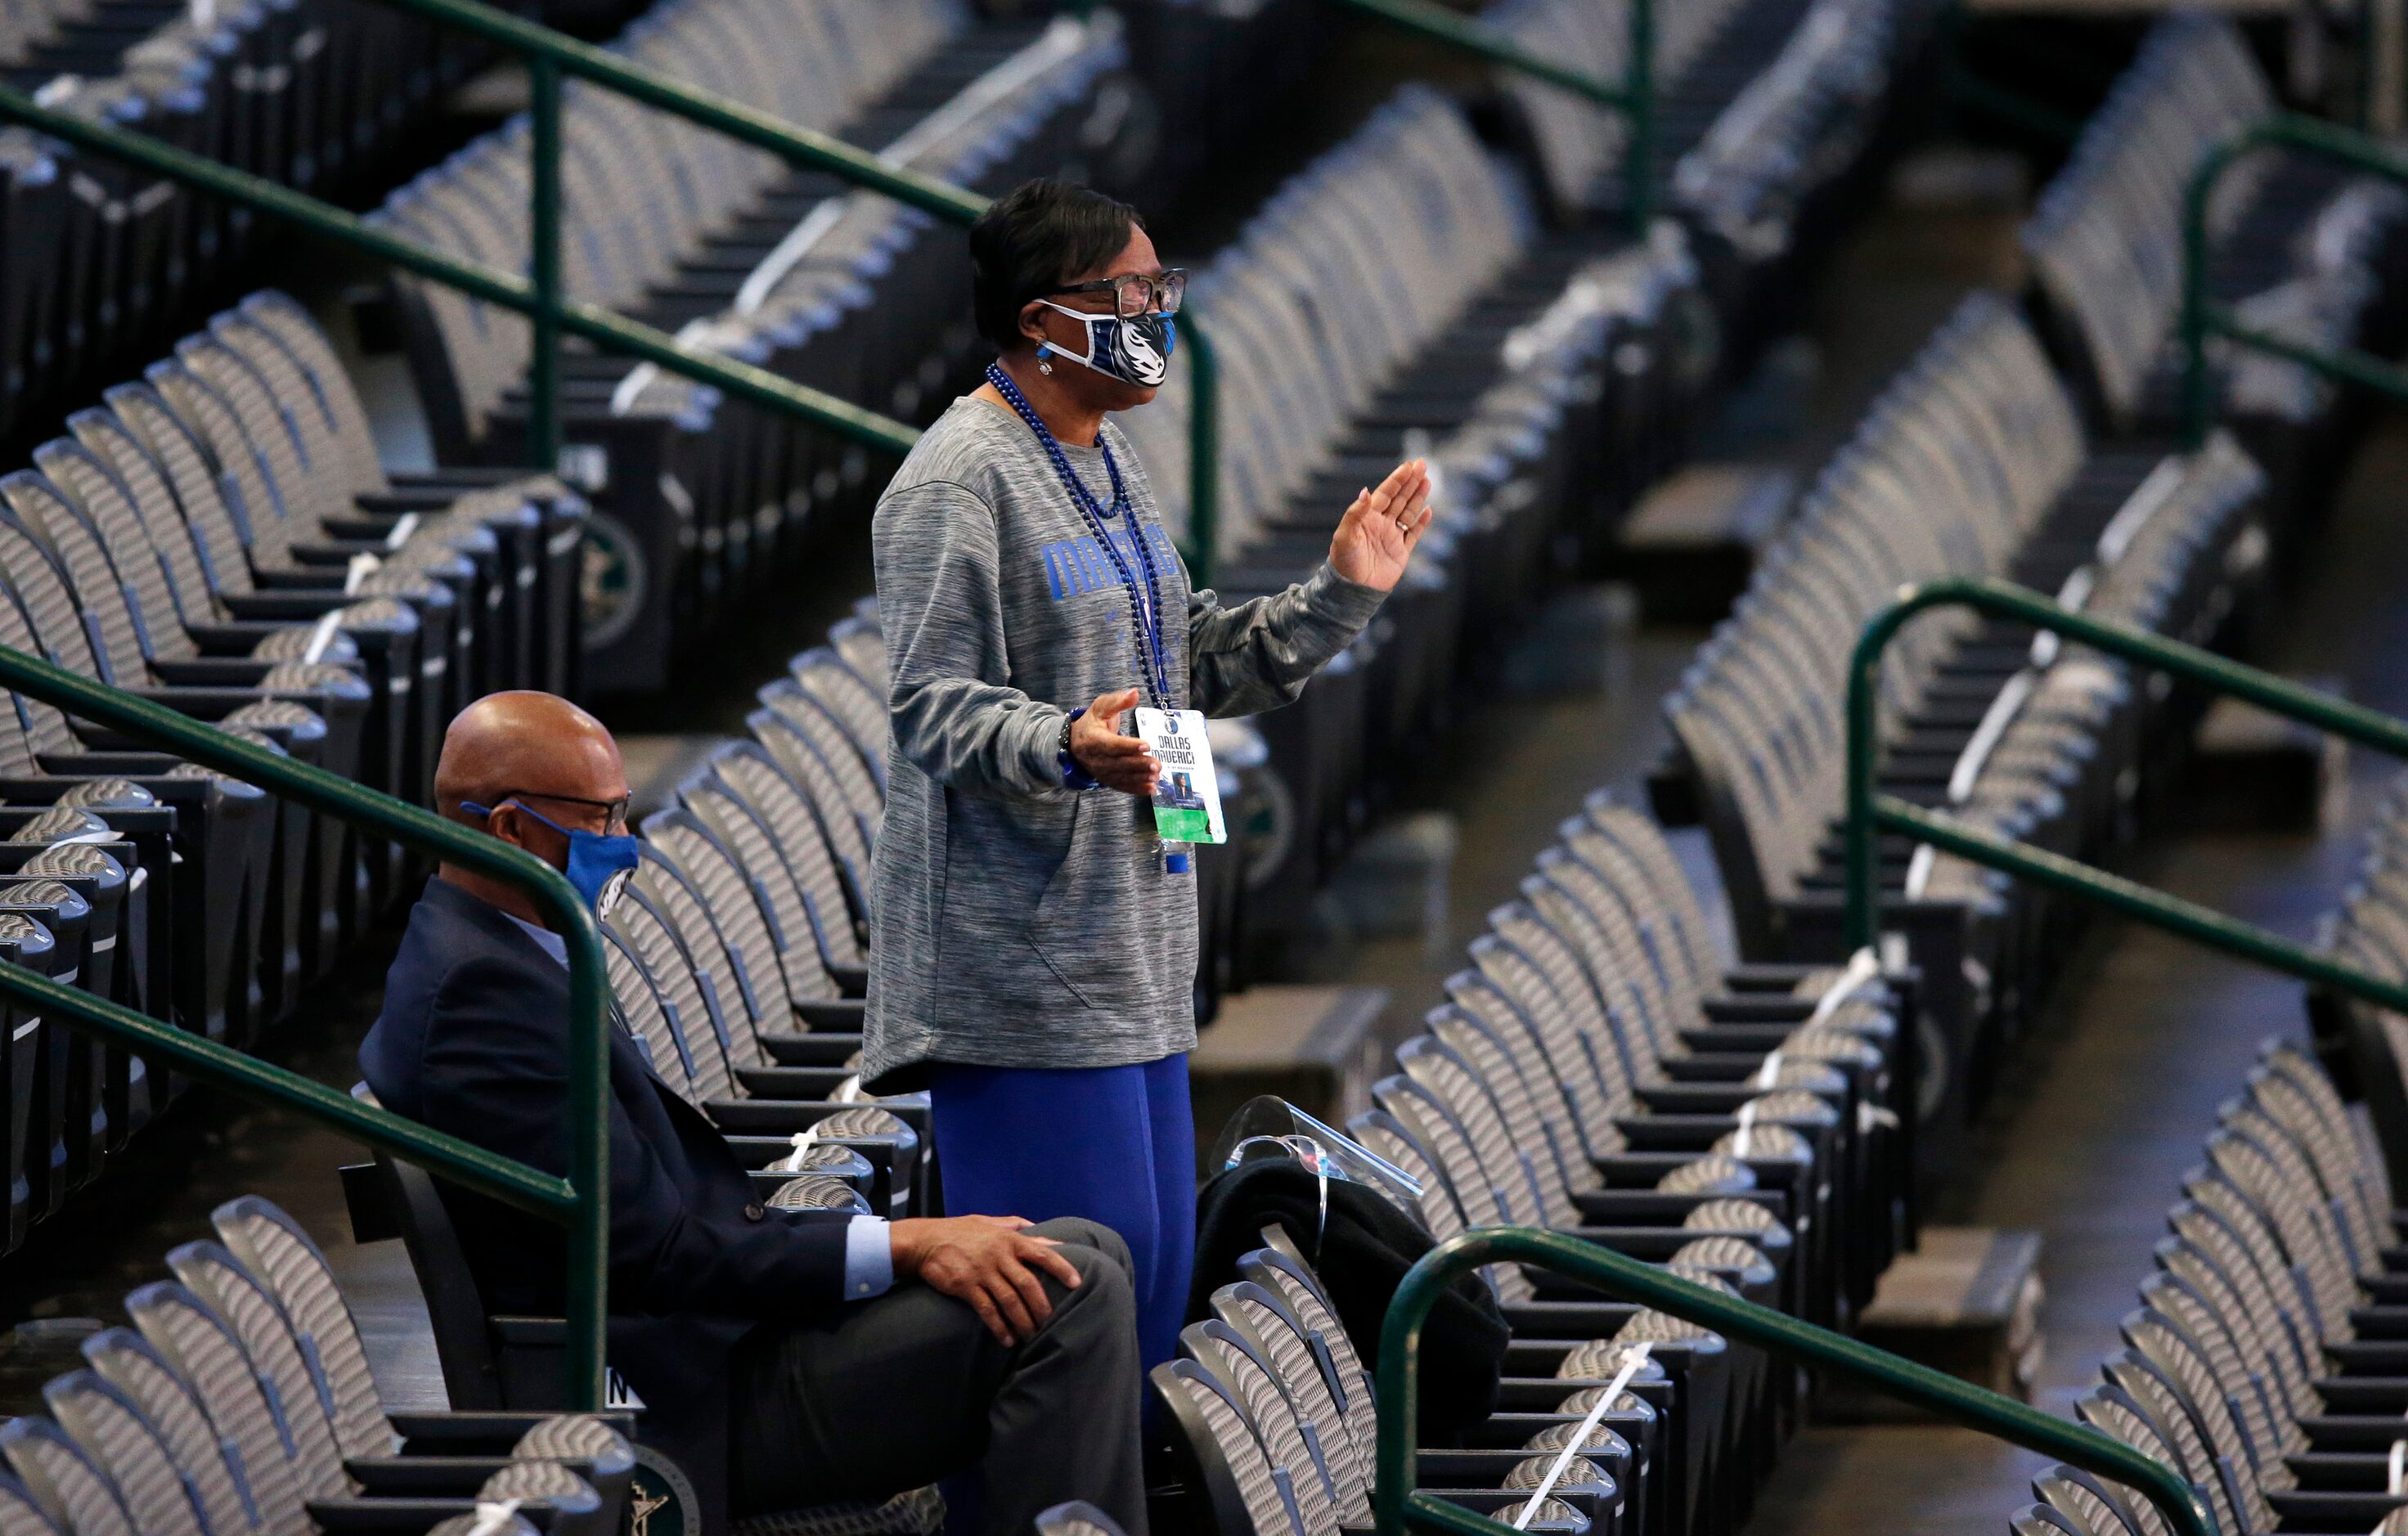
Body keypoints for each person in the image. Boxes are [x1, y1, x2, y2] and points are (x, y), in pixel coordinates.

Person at [865, 178, 1433, 1373]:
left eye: (1161, 289)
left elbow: (1182, 665)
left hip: (1133, 953)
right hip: (1019, 980)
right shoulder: (954, 483)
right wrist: (1066, 740)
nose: (1158, 316)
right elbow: (928, 704)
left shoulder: (1111, 460)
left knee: (1154, 1302)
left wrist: (1341, 597)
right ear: (1041, 318)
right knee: (1065, 1332)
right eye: (1133, 294)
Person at [360, 692, 1148, 1536]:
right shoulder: (480, 1000)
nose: (625, 841)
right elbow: (657, 1256)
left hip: (718, 1334)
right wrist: (907, 1242)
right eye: (600, 817)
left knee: (1075, 1252)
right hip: (680, 1401)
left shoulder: (506, 950)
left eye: (626, 809)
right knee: (1069, 1293)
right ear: (510, 830)